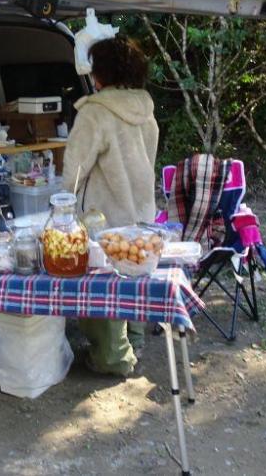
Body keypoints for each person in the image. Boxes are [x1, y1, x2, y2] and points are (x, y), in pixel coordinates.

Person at [62, 36, 158, 377]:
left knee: (100, 289)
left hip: (103, 217)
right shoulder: (144, 108)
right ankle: (136, 342)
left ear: (98, 74)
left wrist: (61, 207)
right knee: (133, 276)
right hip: (142, 212)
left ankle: (113, 358)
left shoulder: (95, 112)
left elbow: (74, 171)